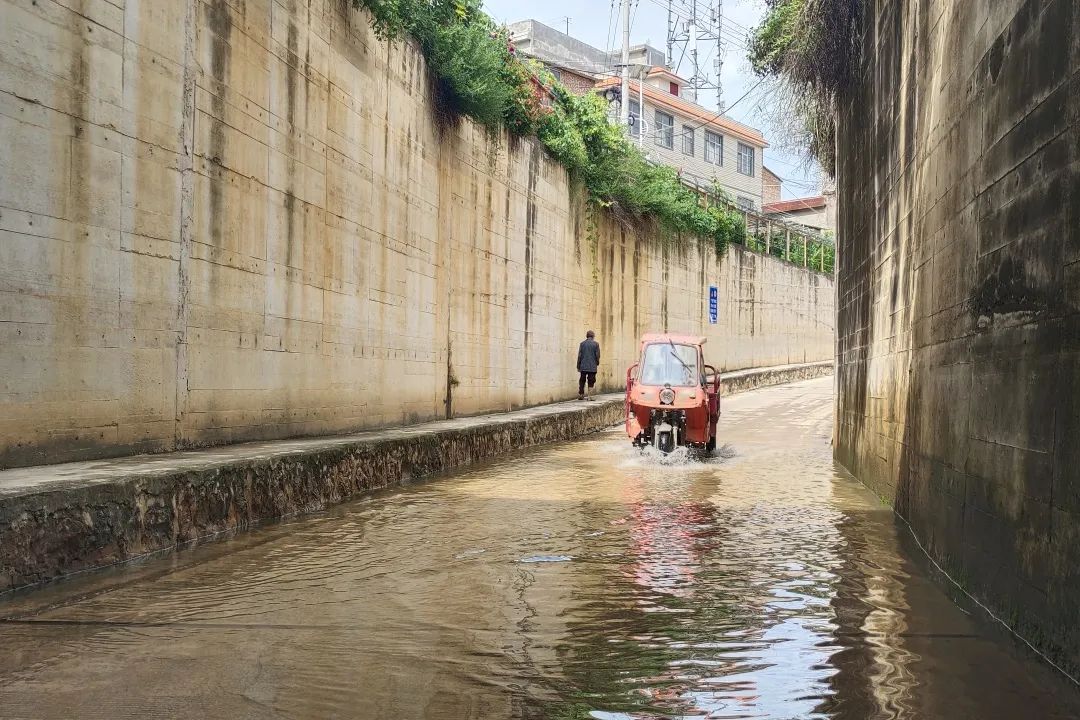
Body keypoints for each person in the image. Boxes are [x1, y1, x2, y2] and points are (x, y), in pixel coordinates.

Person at [576, 330, 600, 400]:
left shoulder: (582, 344)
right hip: (592, 366)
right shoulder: (596, 344)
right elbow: (597, 355)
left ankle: (581, 394)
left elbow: (579, 356)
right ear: (593, 336)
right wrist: (597, 363)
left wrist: (578, 366)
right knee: (591, 380)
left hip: (583, 366)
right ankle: (590, 396)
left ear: (587, 336)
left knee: (582, 380)